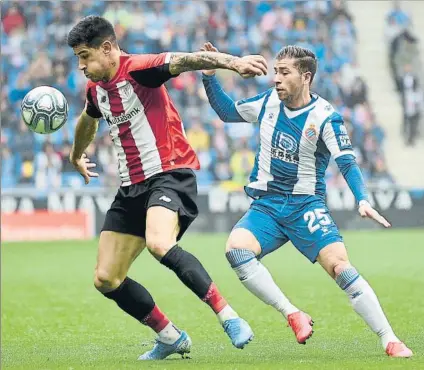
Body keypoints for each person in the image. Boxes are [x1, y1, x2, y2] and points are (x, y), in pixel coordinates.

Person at [66, 16, 268, 361]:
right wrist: (76, 155)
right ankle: (170, 336)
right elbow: (88, 119)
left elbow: (187, 59)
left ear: (107, 48)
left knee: (160, 243)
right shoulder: (95, 89)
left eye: (85, 55)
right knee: (106, 279)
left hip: (170, 174)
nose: (81, 65)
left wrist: (234, 63)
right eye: (77, 58)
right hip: (130, 187)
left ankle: (228, 315)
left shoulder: (140, 69)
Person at [201, 42, 413, 358]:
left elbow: (346, 162)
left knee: (340, 266)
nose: (276, 79)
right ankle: (292, 313)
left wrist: (362, 199)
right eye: (275, 72)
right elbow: (228, 112)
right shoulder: (268, 102)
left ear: (306, 77)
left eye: (284, 73)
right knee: (236, 249)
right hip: (268, 206)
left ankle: (389, 338)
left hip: (305, 206)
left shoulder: (325, 117)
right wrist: (209, 75)